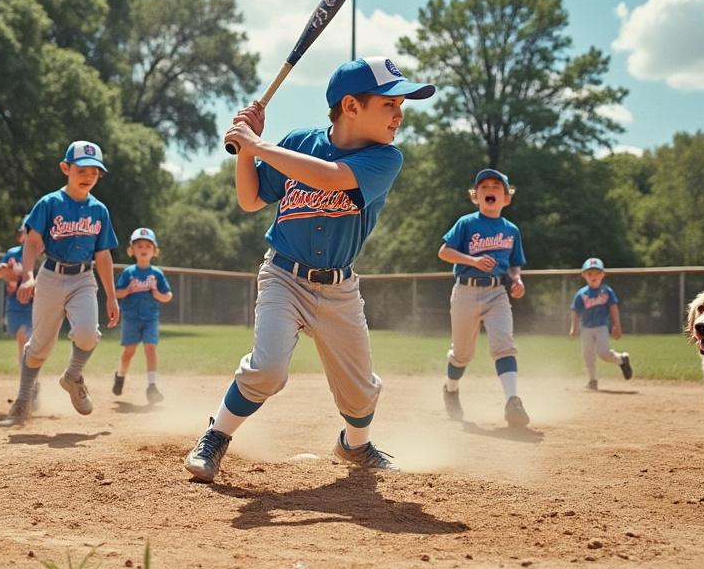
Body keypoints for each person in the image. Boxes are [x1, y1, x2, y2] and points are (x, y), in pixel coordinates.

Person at [183, 56, 435, 483]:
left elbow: (331, 178)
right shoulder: (300, 142)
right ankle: (216, 436)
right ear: (352, 106)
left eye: (401, 105)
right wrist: (245, 151)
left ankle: (355, 447)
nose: (400, 113)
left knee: (359, 393)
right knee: (267, 369)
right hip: (283, 275)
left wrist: (259, 145)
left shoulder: (385, 159)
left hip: (339, 288)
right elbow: (250, 200)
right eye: (390, 103)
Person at [0, 141, 120, 428]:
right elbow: (32, 243)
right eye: (81, 168)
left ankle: (72, 376)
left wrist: (112, 297)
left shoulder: (100, 210)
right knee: (39, 347)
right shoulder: (49, 203)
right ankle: (22, 403)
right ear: (66, 168)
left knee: (88, 334)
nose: (88, 175)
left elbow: (103, 256)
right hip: (50, 276)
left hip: (83, 278)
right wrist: (27, 276)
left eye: (94, 171)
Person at [438, 168, 530, 428]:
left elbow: (514, 264)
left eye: (496, 187)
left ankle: (513, 400)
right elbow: (444, 252)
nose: (490, 190)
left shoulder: (511, 230)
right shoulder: (467, 223)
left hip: (497, 292)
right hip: (465, 291)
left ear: (506, 197)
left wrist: (517, 279)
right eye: (484, 187)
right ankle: (451, 389)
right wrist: (473, 261)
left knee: (504, 344)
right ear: (475, 196)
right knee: (462, 354)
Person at [113, 227, 174, 404]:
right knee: (129, 352)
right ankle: (120, 375)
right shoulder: (128, 272)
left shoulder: (157, 273)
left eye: (148, 245)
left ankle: (152, 386)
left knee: (150, 348)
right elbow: (117, 293)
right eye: (139, 245)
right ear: (131, 250)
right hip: (131, 318)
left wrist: (158, 295)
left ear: (154, 251)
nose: (143, 248)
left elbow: (168, 295)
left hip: (150, 318)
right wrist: (127, 289)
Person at [0, 217, 40, 406]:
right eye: (25, 233)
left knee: (29, 340)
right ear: (21, 236)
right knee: (22, 339)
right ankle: (28, 384)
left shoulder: (43, 256)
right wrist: (4, 270)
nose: (27, 236)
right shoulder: (13, 254)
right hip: (15, 304)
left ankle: (31, 384)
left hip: (34, 305)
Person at [569, 257, 633, 390]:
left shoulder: (606, 291)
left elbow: (613, 308)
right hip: (586, 328)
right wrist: (573, 328)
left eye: (597, 273)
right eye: (590, 273)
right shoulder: (581, 294)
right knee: (588, 355)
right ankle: (592, 381)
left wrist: (617, 325)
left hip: (601, 327)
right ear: (584, 275)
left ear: (603, 274)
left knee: (603, 352)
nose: (594, 276)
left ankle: (622, 360)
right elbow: (575, 311)